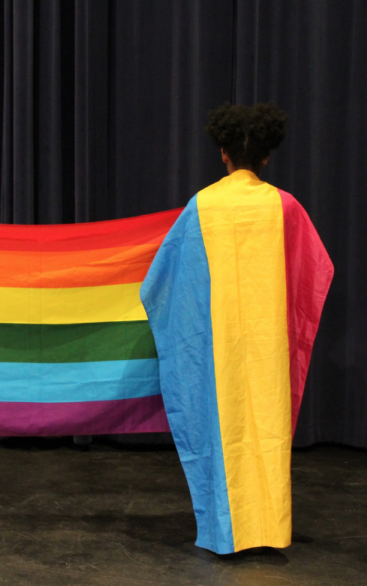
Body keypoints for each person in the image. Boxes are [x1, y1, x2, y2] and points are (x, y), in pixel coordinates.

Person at [140, 103, 334, 554]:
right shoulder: (284, 208)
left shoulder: (202, 206)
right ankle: (268, 530)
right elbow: (316, 270)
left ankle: (223, 533)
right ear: (266, 157)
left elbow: (162, 282)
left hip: (216, 347)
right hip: (268, 345)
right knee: (265, 427)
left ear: (222, 153)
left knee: (215, 429)